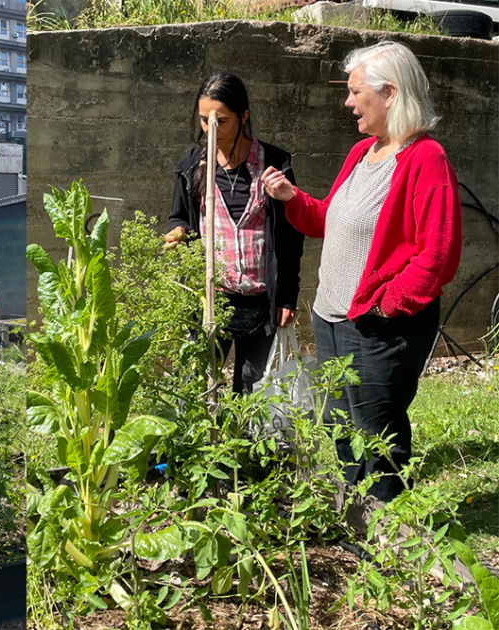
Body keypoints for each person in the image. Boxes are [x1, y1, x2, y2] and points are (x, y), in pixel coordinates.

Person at [261, 41, 462, 501]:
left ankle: (388, 530)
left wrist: (388, 307)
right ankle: (356, 512)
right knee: (339, 424)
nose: (347, 103)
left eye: (355, 93)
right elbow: (329, 218)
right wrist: (293, 198)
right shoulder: (361, 153)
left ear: (389, 93)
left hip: (376, 325)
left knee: (376, 430)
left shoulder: (425, 158)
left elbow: (439, 253)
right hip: (332, 318)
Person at [165, 71, 305, 394]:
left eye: (220, 120)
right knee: (196, 388)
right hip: (210, 300)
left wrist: (287, 295)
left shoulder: (273, 165)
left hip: (258, 301)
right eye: (203, 120)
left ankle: (242, 447)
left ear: (244, 116)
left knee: (251, 395)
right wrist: (178, 233)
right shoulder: (193, 165)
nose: (209, 129)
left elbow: (290, 235)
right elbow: (180, 217)